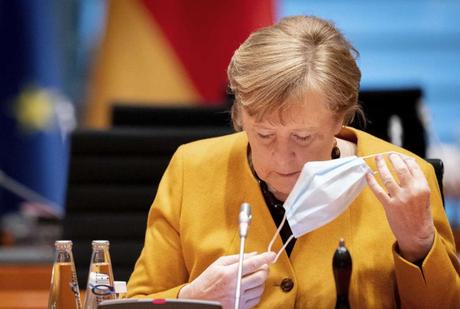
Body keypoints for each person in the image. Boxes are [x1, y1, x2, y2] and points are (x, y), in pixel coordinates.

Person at [127, 16, 460, 308]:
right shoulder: (192, 169)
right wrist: (194, 298)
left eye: (303, 138)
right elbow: (135, 303)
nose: (282, 159)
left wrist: (419, 246)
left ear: (339, 120)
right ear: (241, 115)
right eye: (265, 135)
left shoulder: (404, 178)